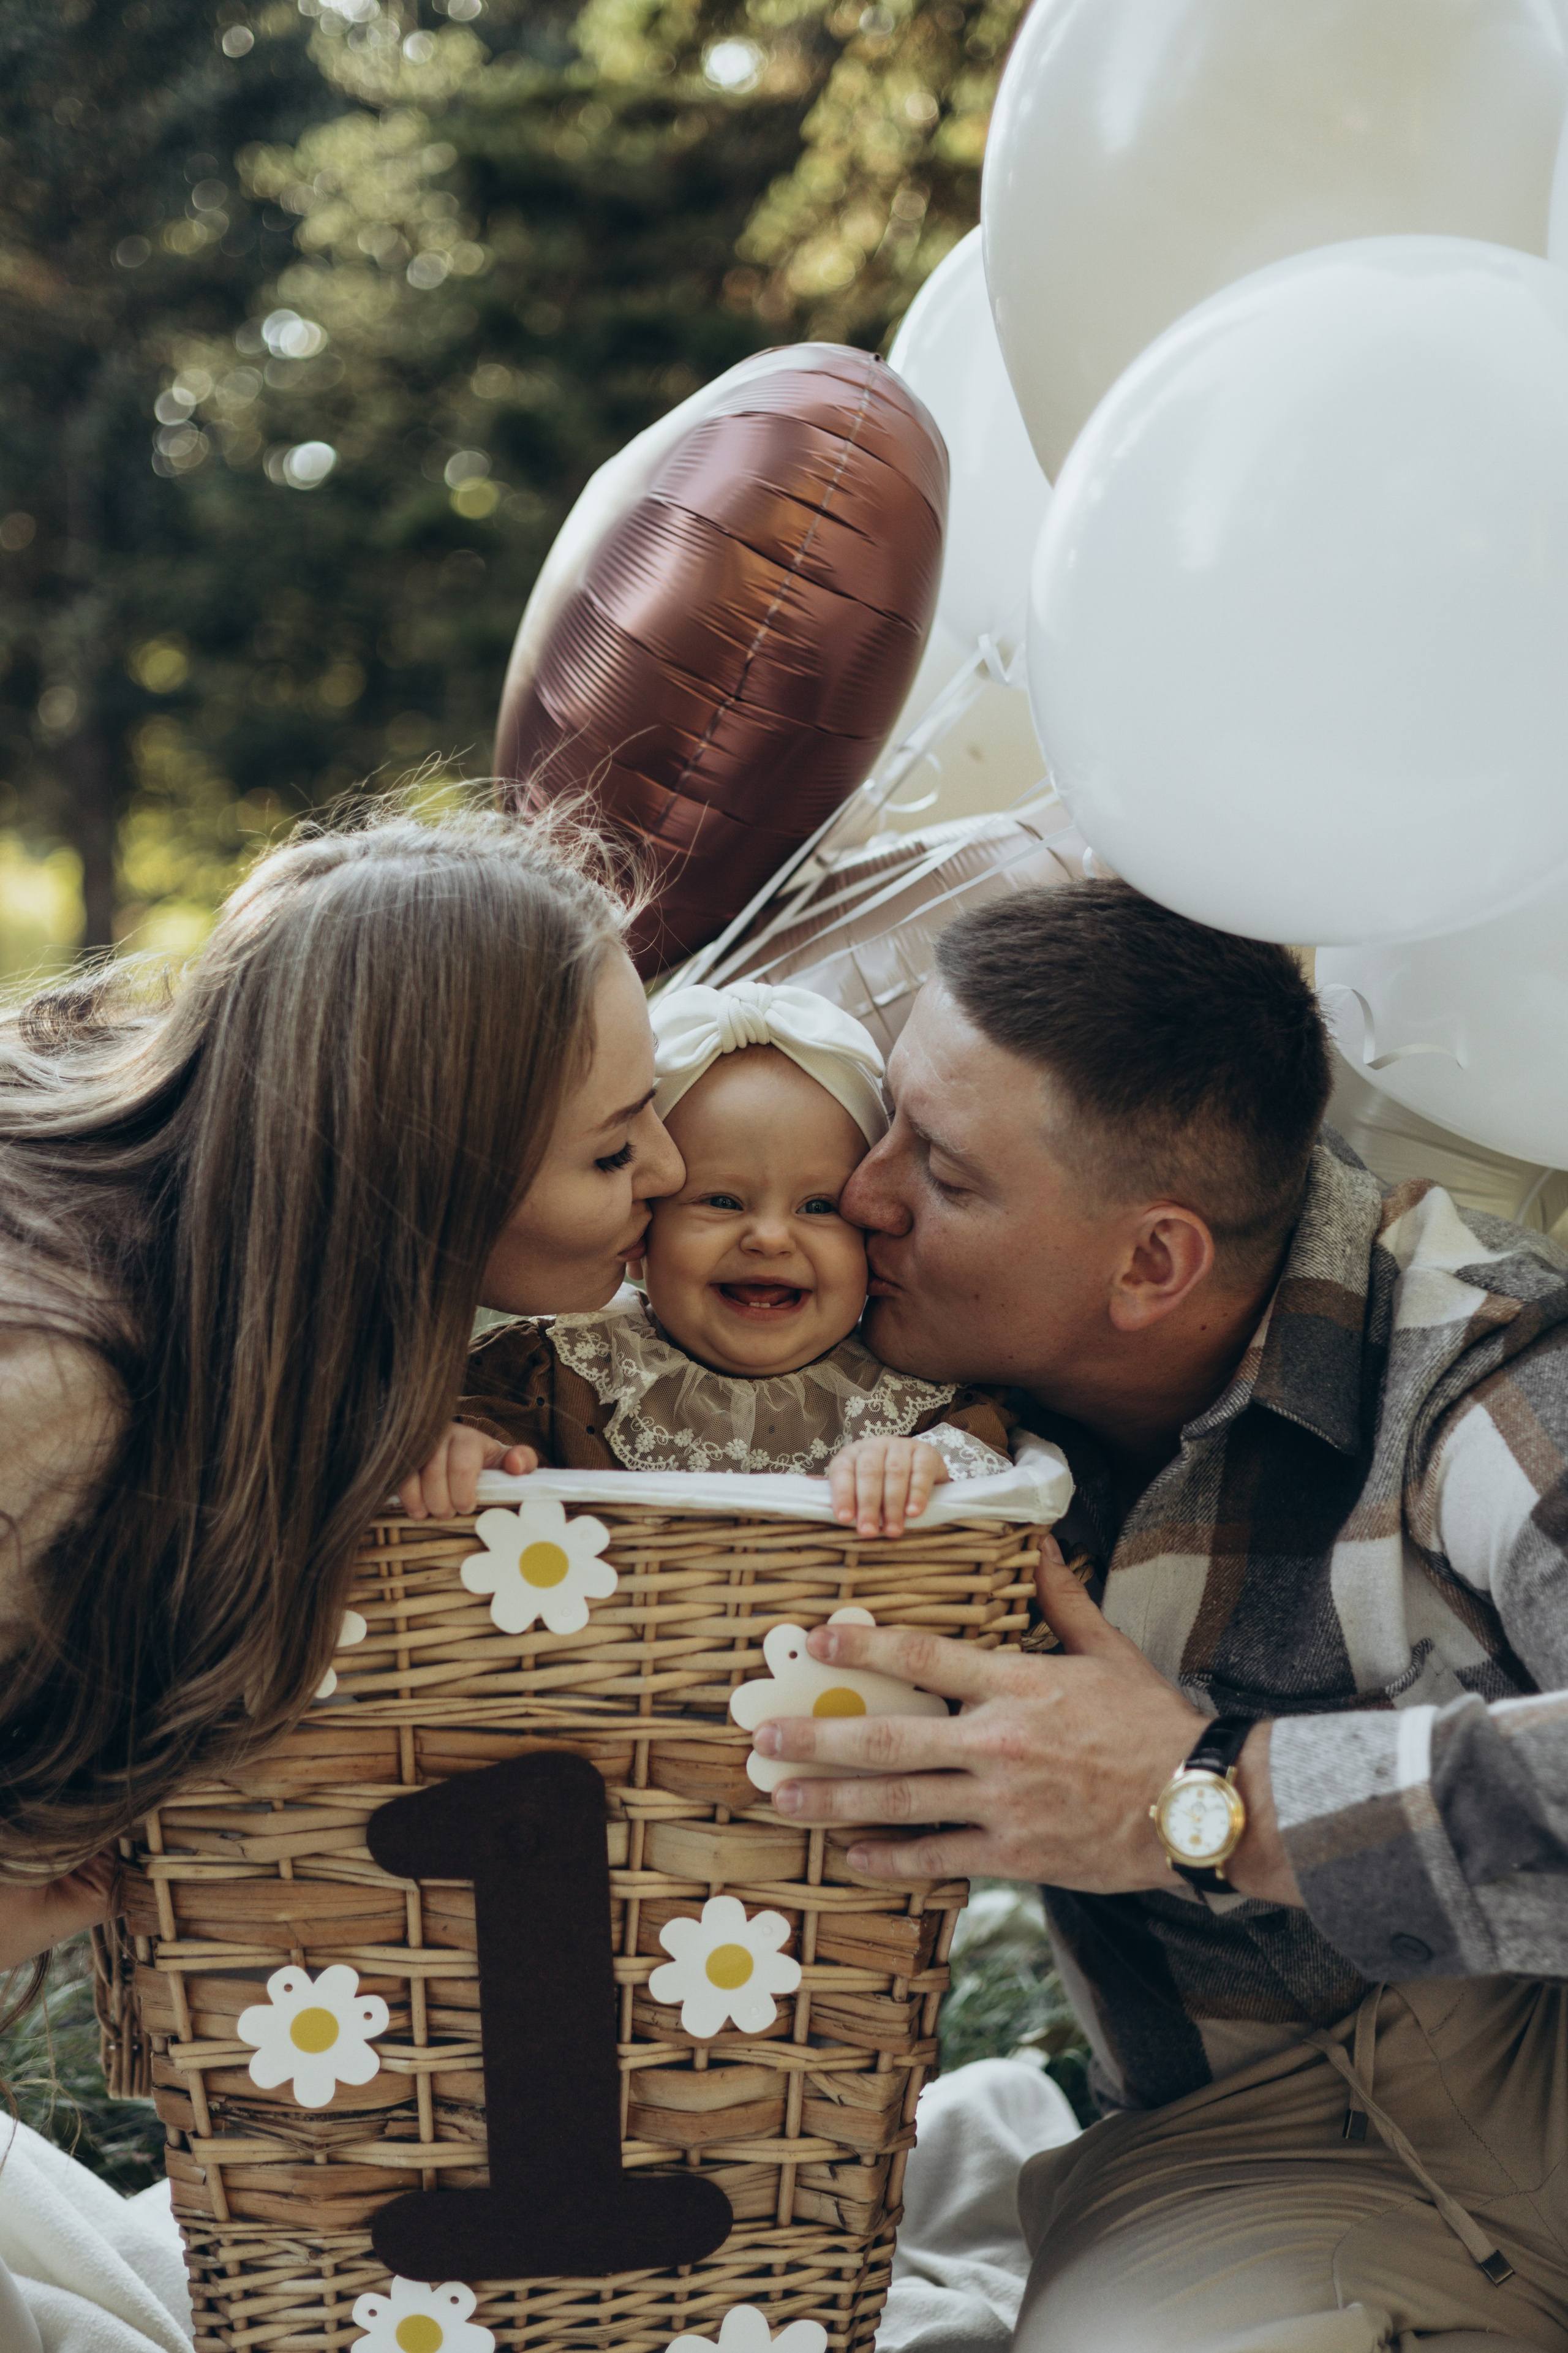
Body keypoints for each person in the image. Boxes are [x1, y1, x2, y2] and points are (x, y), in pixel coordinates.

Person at [747, 880, 1568, 2353]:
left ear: (1150, 1263)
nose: (857, 1195)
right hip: (1234, 2146)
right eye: (885, 1121)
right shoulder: (867, 1366)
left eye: (940, 1172)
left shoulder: (1483, 1381)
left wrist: (1205, 1795)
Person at [0, 796, 685, 1987]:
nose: (670, 1168)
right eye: (611, 1150)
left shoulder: (242, 1285)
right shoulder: (60, 1392)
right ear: (423, 1175)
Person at [407, 978, 1011, 1528]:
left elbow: (1000, 1462)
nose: (769, 1238)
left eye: (819, 1206)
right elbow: (454, 1420)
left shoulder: (910, 1393)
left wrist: (920, 1464)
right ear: (641, 1235)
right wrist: (460, 1448)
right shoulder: (559, 1367)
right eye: (721, 1201)